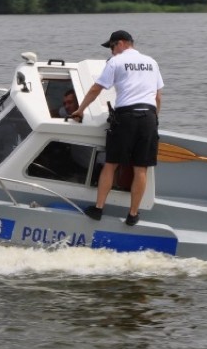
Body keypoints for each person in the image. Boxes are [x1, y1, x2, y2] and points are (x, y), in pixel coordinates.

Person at [70, 30, 163, 226]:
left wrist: (80, 110)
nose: (112, 52)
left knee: (111, 163)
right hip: (148, 117)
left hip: (126, 118)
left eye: (112, 47)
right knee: (141, 168)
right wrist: (154, 121)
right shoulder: (151, 62)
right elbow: (157, 97)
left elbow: (96, 89)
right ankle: (132, 215)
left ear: (120, 43)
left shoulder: (116, 61)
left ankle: (98, 209)